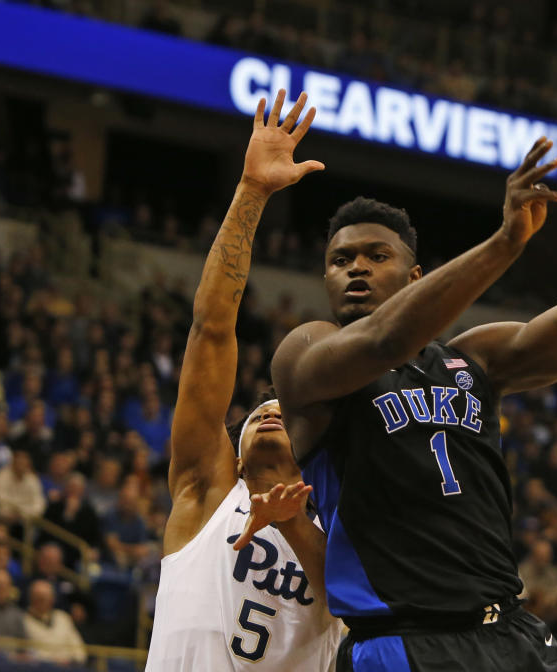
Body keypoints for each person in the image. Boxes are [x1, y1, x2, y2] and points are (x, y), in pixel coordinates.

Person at [264, 105, 557, 671]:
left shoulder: (474, 357)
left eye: (376, 256)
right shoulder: (307, 353)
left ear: (414, 276)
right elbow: (384, 342)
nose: (356, 269)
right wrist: (506, 243)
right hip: (404, 640)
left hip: (511, 632)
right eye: (340, 261)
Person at [145, 91, 340, 670]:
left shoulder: (342, 531)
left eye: (285, 410)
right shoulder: (206, 492)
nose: (272, 410)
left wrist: (293, 523)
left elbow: (366, 599)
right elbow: (210, 330)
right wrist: (252, 194)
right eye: (258, 412)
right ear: (232, 452)